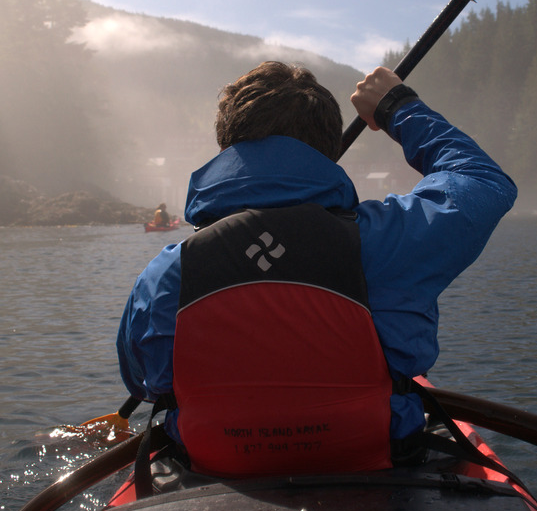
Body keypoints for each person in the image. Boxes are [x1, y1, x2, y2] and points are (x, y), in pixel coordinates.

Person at [116, 61, 516, 477]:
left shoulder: (164, 275)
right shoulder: (388, 242)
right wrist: (397, 106)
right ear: (328, 149)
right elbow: (482, 181)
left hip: (213, 473)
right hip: (380, 464)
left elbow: (143, 383)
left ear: (228, 149)